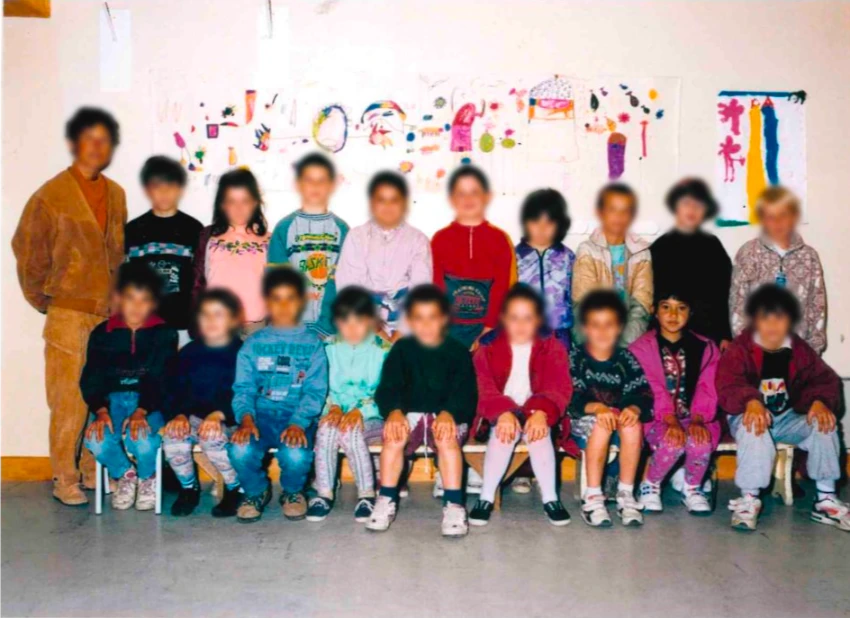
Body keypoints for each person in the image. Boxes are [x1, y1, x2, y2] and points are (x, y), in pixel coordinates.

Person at [12, 107, 127, 506]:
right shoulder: (51, 195)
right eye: (89, 138)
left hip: (106, 314)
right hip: (67, 314)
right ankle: (65, 477)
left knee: (101, 396)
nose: (97, 146)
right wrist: (46, 301)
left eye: (104, 140)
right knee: (68, 400)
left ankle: (93, 470)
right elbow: (27, 251)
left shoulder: (116, 194)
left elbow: (118, 254)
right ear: (74, 143)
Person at [718, 284, 846, 532]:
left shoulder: (798, 349)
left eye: (780, 318)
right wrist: (750, 400)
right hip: (747, 415)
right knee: (755, 425)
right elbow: (728, 384)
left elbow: (824, 380)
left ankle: (826, 498)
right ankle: (749, 498)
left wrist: (820, 401)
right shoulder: (740, 348)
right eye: (765, 318)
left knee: (825, 423)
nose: (772, 326)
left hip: (787, 418)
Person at [368, 285, 478, 537]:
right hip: (409, 413)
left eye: (433, 317)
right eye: (419, 318)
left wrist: (450, 412)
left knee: (447, 439)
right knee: (393, 437)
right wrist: (394, 411)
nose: (426, 325)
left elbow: (465, 393)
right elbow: (388, 387)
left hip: (447, 414)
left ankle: (454, 504)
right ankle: (385, 498)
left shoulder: (457, 351)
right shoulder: (401, 350)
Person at [228, 268, 328, 523]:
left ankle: (293, 492)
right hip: (258, 416)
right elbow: (243, 388)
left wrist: (299, 422)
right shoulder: (253, 343)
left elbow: (315, 391)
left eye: (290, 298)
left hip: (295, 415)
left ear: (301, 302)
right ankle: (256, 492)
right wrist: (246, 418)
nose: (283, 306)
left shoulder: (313, 343)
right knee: (239, 449)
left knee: (296, 454)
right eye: (276, 298)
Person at [468, 284, 572, 526]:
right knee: (503, 435)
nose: (521, 325)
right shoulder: (488, 347)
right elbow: (482, 387)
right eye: (514, 318)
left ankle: (550, 498)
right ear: (503, 319)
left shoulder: (552, 346)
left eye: (528, 318)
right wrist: (502, 412)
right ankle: (486, 496)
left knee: (539, 435)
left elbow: (559, 386)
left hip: (537, 410)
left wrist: (542, 412)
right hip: (500, 411)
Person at [81, 263, 178, 511]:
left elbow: (162, 377)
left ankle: (148, 477)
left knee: (143, 440)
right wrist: (100, 410)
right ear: (119, 299)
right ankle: (126, 474)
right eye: (130, 298)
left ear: (153, 303)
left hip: (148, 400)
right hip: (111, 401)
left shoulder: (164, 333)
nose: (136, 306)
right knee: (96, 440)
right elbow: (92, 376)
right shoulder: (102, 333)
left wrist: (141, 410)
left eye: (144, 300)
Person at [629, 288, 721, 515]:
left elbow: (707, 386)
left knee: (700, 440)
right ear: (654, 311)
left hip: (696, 417)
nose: (673, 314)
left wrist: (698, 419)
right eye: (666, 307)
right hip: (656, 419)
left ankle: (692, 488)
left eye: (681, 308)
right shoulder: (641, 348)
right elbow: (651, 387)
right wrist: (670, 420)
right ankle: (650, 484)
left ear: (691, 313)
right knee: (673, 441)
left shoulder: (706, 347)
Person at [568, 290, 653, 527]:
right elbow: (571, 397)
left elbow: (642, 392)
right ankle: (593, 496)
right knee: (602, 425)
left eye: (609, 325)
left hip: (617, 416)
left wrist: (633, 408)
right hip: (584, 418)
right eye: (595, 325)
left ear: (619, 328)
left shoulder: (626, 358)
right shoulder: (576, 357)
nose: (602, 331)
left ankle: (626, 493)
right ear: (585, 328)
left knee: (633, 425)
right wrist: (597, 408)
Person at [309, 287, 390, 523]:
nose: (352, 329)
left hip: (373, 416)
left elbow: (386, 393)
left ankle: (366, 494)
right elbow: (319, 386)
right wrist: (332, 407)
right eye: (346, 322)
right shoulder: (327, 348)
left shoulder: (383, 350)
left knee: (350, 431)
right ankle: (324, 493)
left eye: (360, 322)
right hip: (336, 410)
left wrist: (360, 411)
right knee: (326, 428)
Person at [161, 289, 244, 517]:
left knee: (211, 436)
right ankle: (188, 488)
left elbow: (245, 393)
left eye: (218, 314)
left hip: (232, 418)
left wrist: (220, 414)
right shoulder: (189, 352)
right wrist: (178, 414)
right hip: (195, 416)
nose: (210, 320)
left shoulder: (242, 353)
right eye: (205, 315)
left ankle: (235, 487)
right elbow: (174, 388)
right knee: (174, 436)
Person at [335, 171, 432, 340]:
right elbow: (349, 288)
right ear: (372, 203)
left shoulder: (418, 240)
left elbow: (420, 291)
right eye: (381, 200)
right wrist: (379, 333)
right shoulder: (357, 237)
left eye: (394, 200)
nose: (388, 207)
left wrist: (398, 336)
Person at [730, 186, 827, 353]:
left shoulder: (809, 257)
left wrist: (812, 351)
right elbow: (738, 305)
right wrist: (747, 350)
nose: (777, 222)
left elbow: (818, 306)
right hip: (756, 351)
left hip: (798, 351)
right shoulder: (748, 253)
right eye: (770, 217)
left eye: (783, 215)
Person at [431, 166, 516, 350]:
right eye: (461, 193)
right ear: (452, 199)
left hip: (487, 327)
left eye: (474, 192)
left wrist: (489, 328)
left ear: (486, 197)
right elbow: (435, 285)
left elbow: (502, 287)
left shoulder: (500, 239)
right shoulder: (440, 239)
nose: (468, 199)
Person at [268, 153, 349, 337]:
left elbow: (344, 282)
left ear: (331, 186)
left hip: (331, 328)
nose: (315, 186)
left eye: (321, 180)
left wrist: (326, 323)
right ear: (298, 185)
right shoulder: (284, 228)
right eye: (309, 180)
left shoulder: (342, 230)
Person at [125, 156, 202, 346]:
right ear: (147, 190)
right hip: (143, 324)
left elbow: (200, 279)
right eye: (157, 186)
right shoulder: (133, 229)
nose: (164, 193)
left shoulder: (194, 229)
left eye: (171, 186)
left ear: (180, 189)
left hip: (182, 324)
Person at [650, 178, 732, 347]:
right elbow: (651, 298)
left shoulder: (713, 246)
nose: (692, 210)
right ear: (676, 206)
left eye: (699, 205)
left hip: (707, 334)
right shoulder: (660, 247)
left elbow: (724, 294)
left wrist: (725, 334)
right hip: (668, 333)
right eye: (687, 203)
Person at [572, 183, 652, 346]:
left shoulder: (641, 253)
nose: (618, 216)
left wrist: (623, 345)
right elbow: (583, 303)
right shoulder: (587, 250)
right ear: (600, 212)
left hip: (629, 340)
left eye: (625, 211)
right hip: (592, 338)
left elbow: (641, 307)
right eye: (612, 209)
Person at [193, 169, 270, 336]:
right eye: (231, 201)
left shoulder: (269, 240)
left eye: (245, 201)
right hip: (217, 327)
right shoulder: (208, 237)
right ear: (222, 204)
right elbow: (196, 284)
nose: (239, 208)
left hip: (257, 329)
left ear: (255, 203)